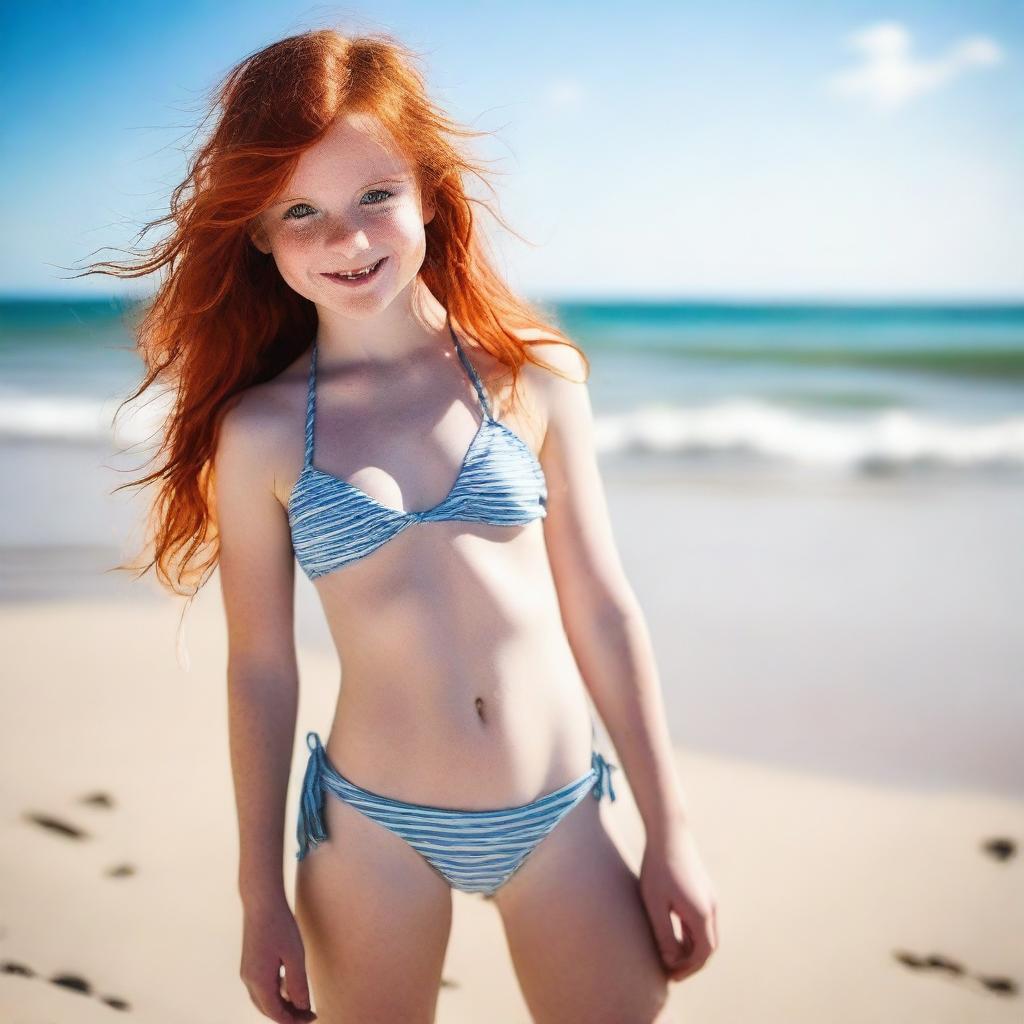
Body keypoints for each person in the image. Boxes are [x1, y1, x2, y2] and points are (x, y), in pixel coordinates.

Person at [88, 27, 717, 1024]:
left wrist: (671, 827)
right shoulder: (258, 432)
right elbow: (259, 666)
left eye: (374, 196)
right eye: (302, 212)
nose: (347, 240)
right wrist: (260, 893)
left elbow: (600, 605)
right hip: (372, 826)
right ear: (256, 233)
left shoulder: (531, 373)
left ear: (427, 190)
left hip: (559, 809)